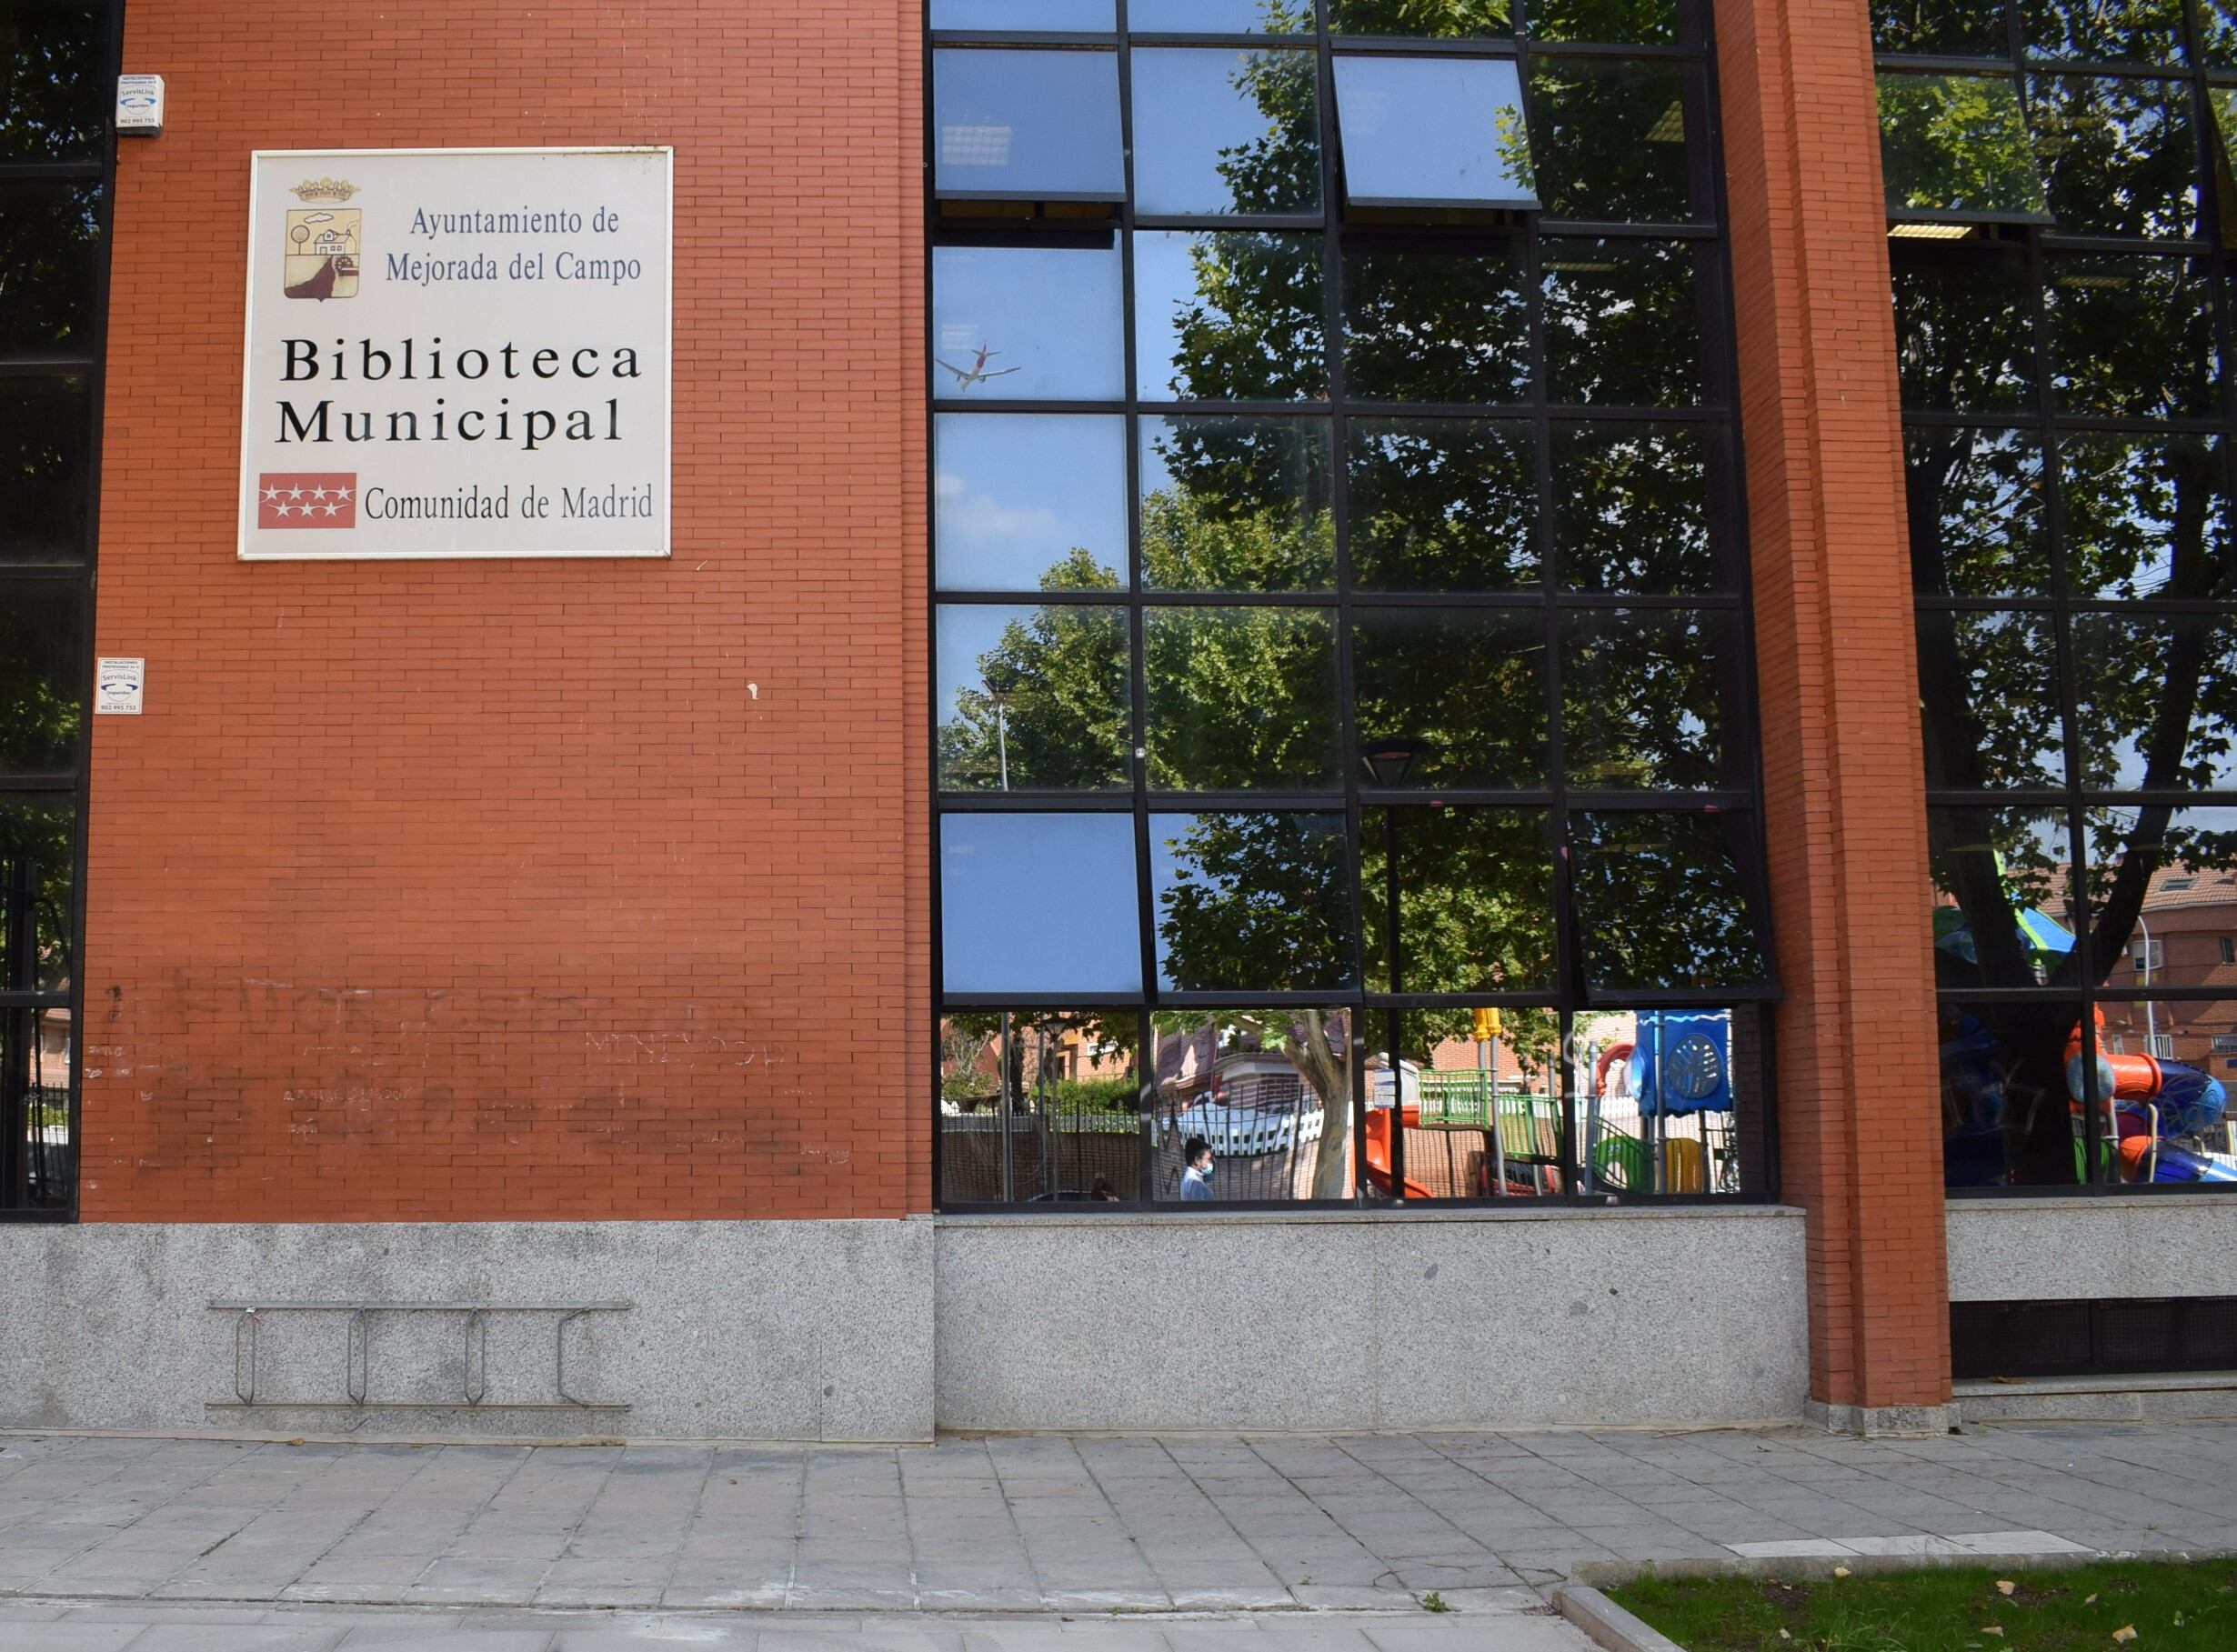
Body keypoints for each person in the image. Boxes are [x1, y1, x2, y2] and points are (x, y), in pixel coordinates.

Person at [1179, 1136, 1215, 1201]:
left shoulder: (1187, 1179)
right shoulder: (1196, 1183)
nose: (1210, 1163)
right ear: (1197, 1160)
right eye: (1208, 1159)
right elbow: (1204, 1210)